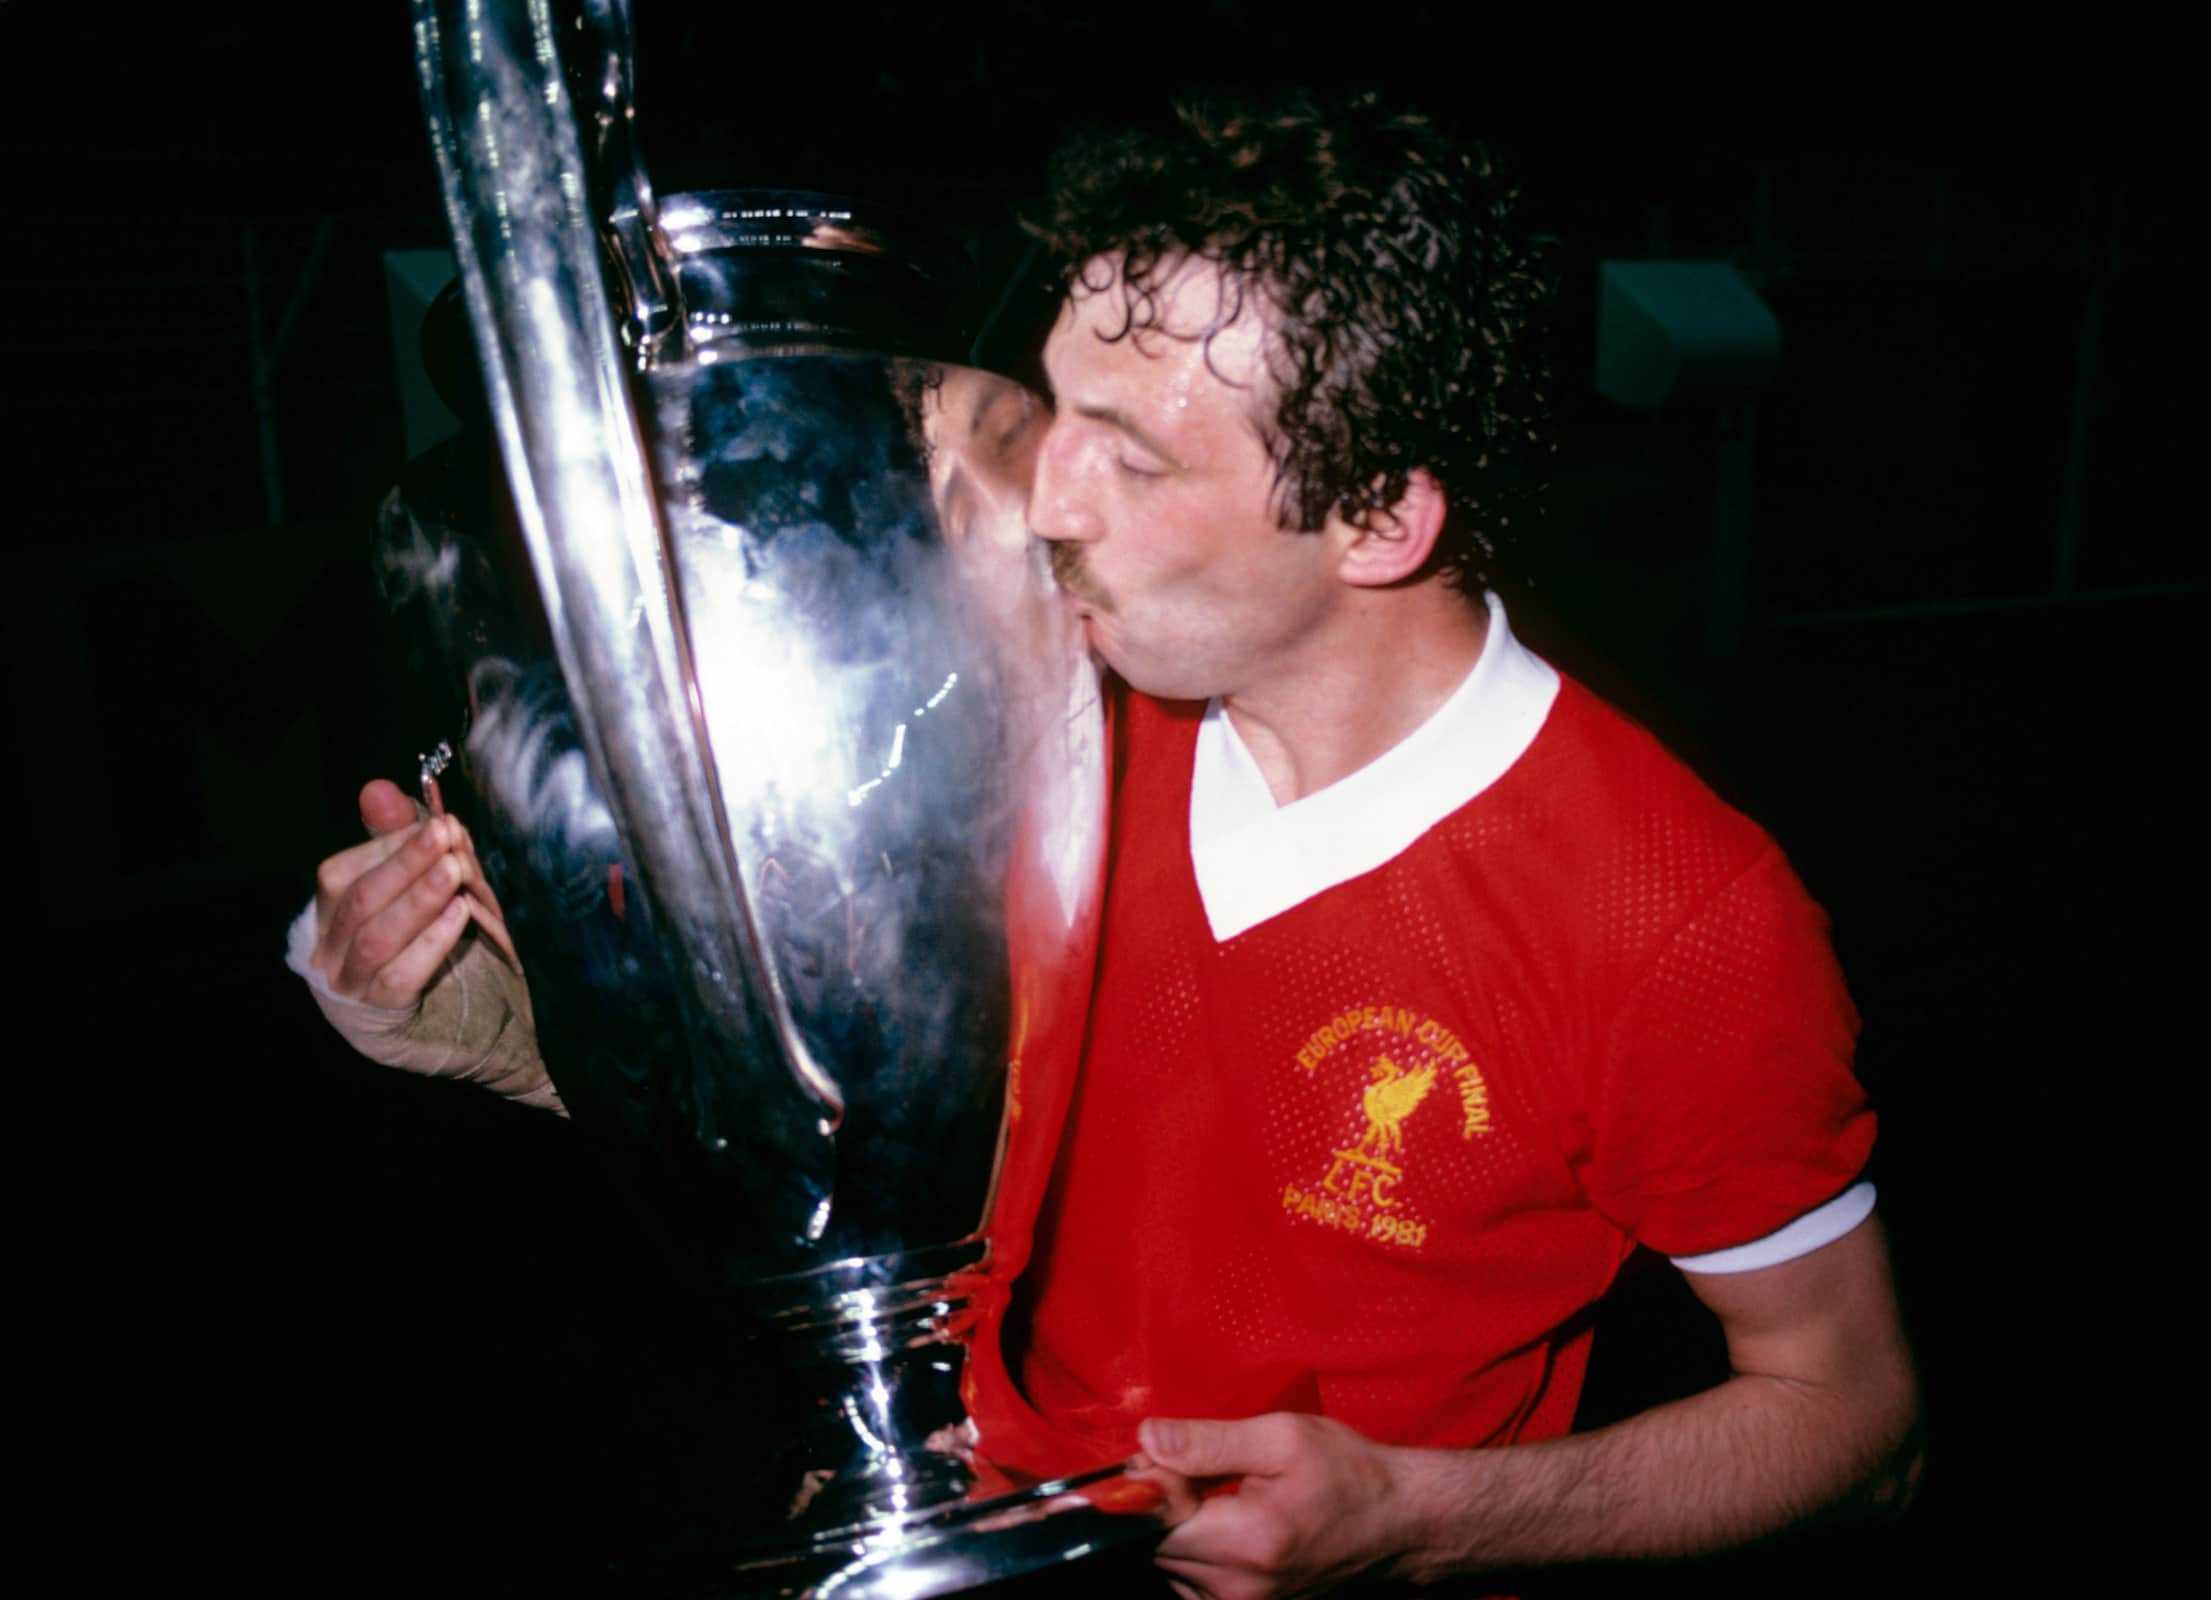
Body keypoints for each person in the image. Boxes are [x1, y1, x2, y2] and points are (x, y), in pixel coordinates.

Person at [296, 89, 1921, 1599]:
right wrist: (519, 1042)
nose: (1042, 493)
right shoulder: (1021, 695)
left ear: (1378, 520)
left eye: (1130, 455)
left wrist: (1426, 1515)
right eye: (1053, 407)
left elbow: (1853, 1418)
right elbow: (885, 1142)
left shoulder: (1671, 914)